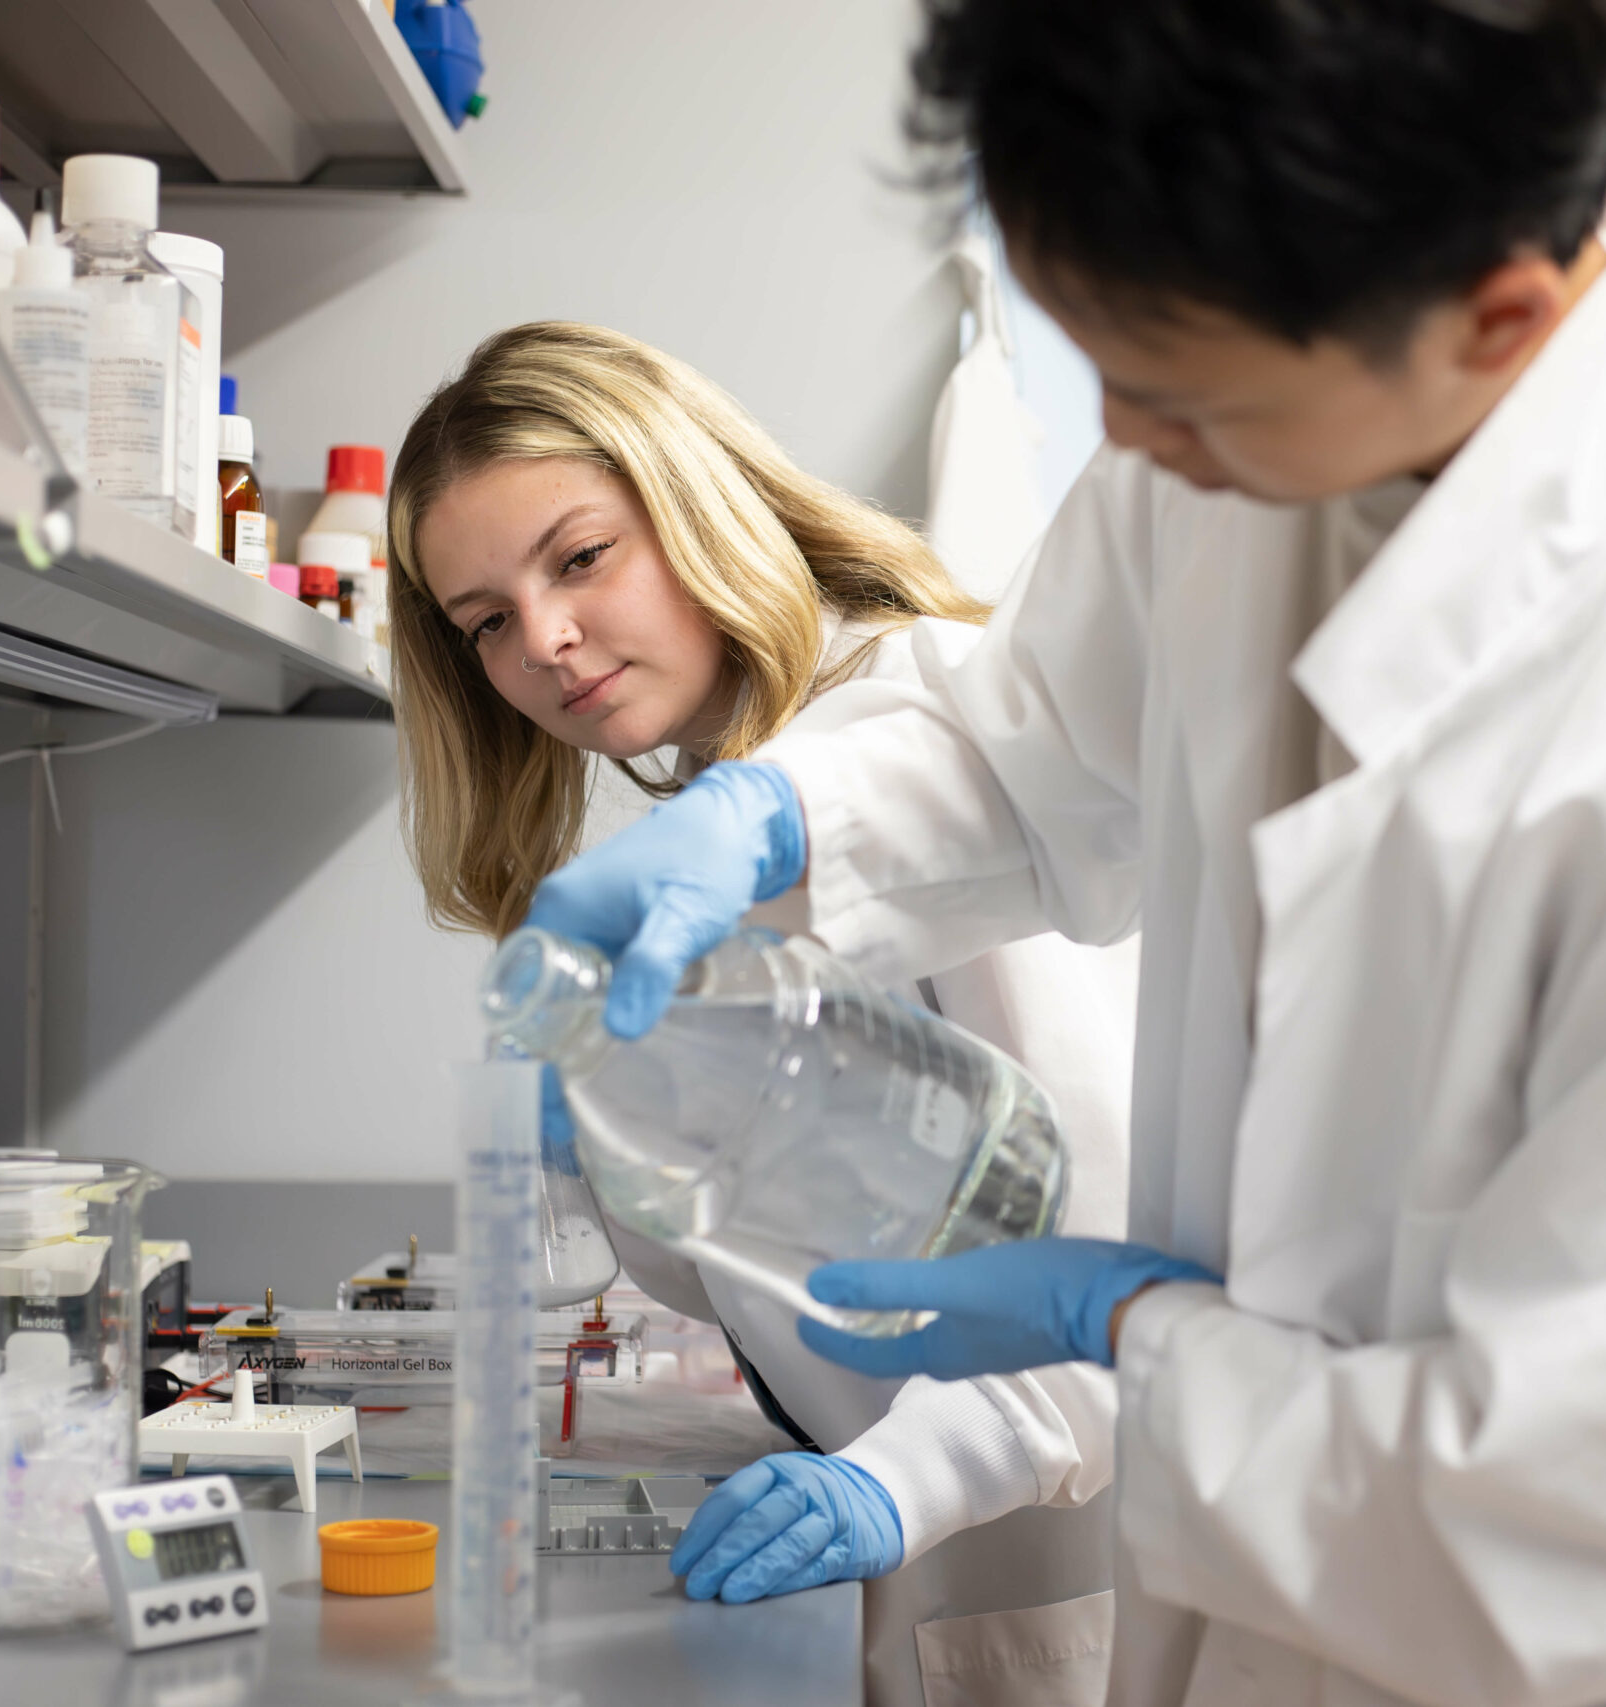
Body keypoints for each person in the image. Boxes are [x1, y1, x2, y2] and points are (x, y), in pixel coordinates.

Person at [528, 2, 1606, 1704]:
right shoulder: (1280, 379)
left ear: (1499, 318)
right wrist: (776, 823)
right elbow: (1031, 741)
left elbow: (1590, 1533)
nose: (1127, 444)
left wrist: (1132, 1341)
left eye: (1175, 394)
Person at [385, 321, 1134, 1707]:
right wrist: (611, 1139)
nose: (543, 641)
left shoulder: (917, 753)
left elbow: (1125, 1253)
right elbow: (734, 1278)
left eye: (581, 558)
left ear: (694, 501)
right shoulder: (721, 811)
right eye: (486, 620)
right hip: (921, 1563)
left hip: (1062, 1579)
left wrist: (906, 1478)